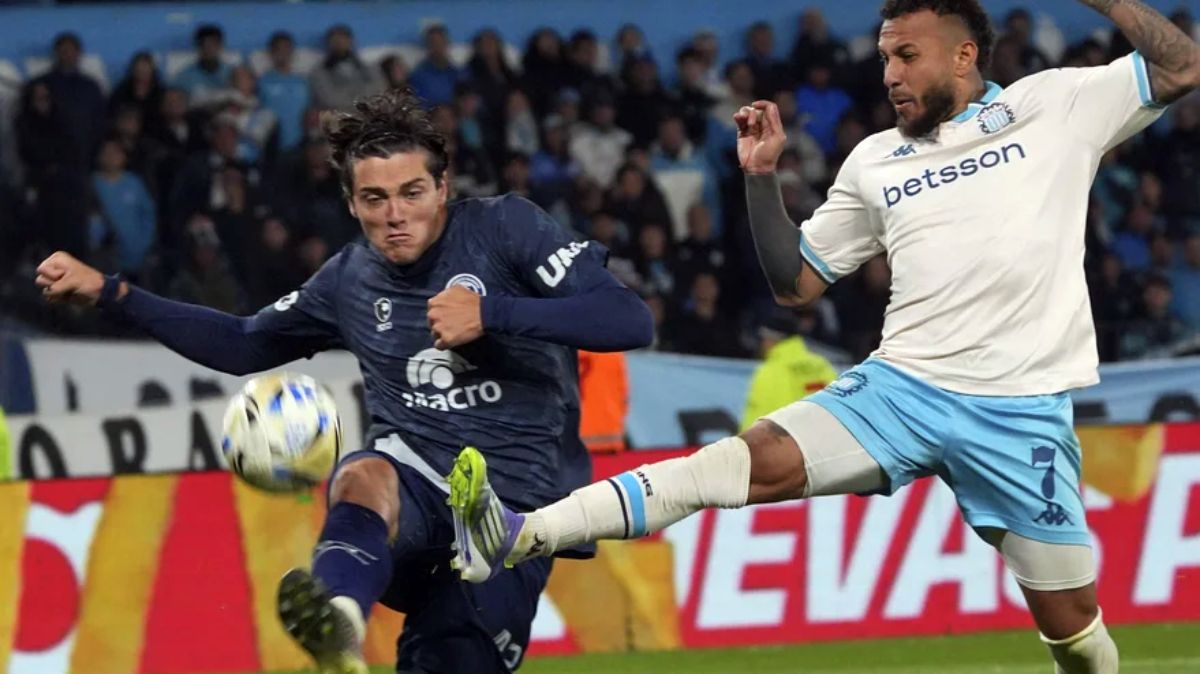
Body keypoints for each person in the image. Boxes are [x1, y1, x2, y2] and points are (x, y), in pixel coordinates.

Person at [447, 3, 1200, 674]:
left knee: (1073, 631)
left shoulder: (1056, 104)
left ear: (966, 56)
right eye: (883, 58)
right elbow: (795, 283)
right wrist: (760, 178)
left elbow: (1181, 63)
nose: (890, 75)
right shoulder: (876, 160)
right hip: (902, 390)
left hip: (1021, 413)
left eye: (907, 56)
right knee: (730, 466)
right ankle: (517, 532)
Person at [35, 87, 653, 674]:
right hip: (414, 481)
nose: (395, 216)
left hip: (511, 516)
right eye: (375, 200)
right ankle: (338, 618)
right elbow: (244, 343)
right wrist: (112, 292)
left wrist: (493, 313)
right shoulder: (348, 279)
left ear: (443, 187)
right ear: (352, 203)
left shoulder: (506, 229)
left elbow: (628, 319)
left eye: (412, 192)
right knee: (364, 474)